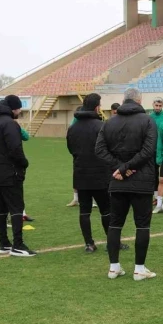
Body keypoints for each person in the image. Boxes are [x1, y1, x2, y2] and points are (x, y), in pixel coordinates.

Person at [95, 88, 158, 281]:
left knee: (115, 224)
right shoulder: (148, 121)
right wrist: (126, 168)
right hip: (141, 181)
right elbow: (148, 150)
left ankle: (113, 267)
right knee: (142, 225)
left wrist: (120, 168)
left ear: (124, 101)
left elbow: (99, 149)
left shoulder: (109, 122)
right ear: (139, 100)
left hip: (118, 181)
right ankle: (139, 269)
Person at [0, 95, 35, 257]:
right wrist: (24, 163)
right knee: (16, 208)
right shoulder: (10, 123)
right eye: (19, 108)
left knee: (0, 208)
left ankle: (4, 243)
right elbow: (15, 149)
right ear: (13, 108)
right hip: (9, 171)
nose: (20, 111)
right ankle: (18, 245)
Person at [67, 94, 114, 253]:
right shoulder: (101, 126)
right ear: (96, 107)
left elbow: (71, 150)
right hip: (100, 175)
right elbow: (109, 149)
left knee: (84, 211)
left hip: (81, 174)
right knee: (106, 210)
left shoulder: (73, 128)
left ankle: (89, 243)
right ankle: (112, 242)